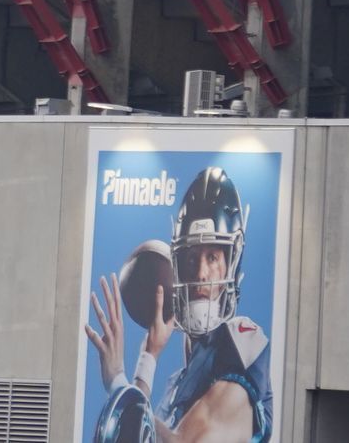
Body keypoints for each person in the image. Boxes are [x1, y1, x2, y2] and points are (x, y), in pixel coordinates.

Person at [86, 168, 272, 443]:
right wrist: (147, 359)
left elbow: (184, 442)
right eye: (192, 259)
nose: (200, 273)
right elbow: (137, 437)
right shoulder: (176, 384)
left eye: (212, 257)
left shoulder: (243, 339)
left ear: (230, 263)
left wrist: (117, 380)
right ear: (177, 268)